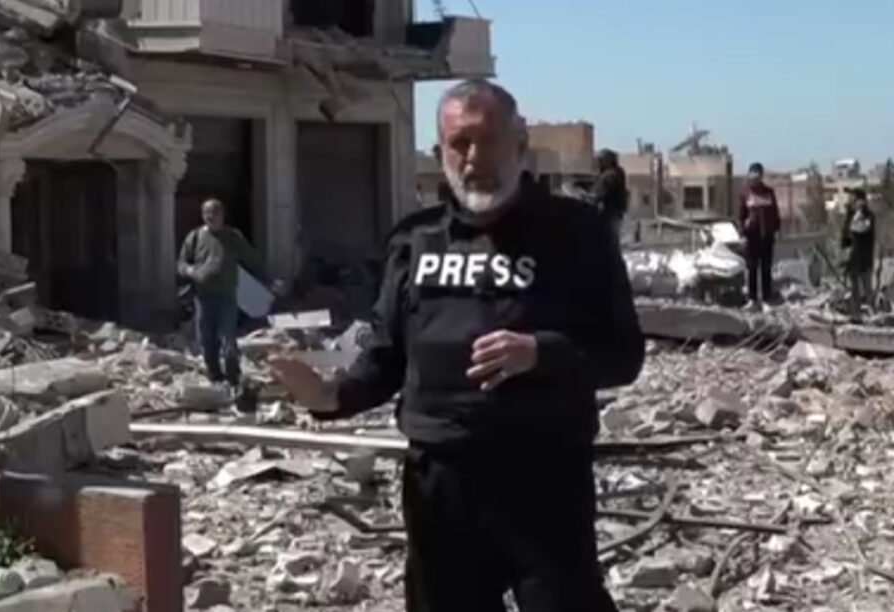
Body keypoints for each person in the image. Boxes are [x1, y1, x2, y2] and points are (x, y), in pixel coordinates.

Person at [268, 79, 644, 612]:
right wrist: (330, 396)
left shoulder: (576, 233)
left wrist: (540, 352)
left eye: (487, 141)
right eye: (459, 144)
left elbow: (623, 354)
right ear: (440, 151)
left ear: (519, 144)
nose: (473, 158)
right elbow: (386, 356)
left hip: (544, 478)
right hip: (440, 486)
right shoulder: (414, 240)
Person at [177, 198, 276, 388]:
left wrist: (269, 280)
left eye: (214, 212)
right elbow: (182, 263)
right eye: (206, 213)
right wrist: (190, 270)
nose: (210, 216)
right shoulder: (195, 237)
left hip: (226, 296)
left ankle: (233, 378)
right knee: (206, 339)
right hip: (203, 298)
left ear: (222, 214)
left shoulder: (232, 237)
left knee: (227, 339)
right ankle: (214, 377)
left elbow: (252, 260)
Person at [739, 162, 780, 309]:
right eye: (753, 173)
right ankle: (752, 299)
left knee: (766, 268)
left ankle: (767, 298)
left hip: (766, 236)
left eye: (758, 174)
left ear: (761, 175)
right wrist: (743, 234)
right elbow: (741, 216)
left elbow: (775, 213)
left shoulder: (768, 192)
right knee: (752, 268)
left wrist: (775, 230)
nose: (755, 177)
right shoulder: (745, 193)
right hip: (751, 237)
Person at [841, 188, 875, 319]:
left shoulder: (868, 216)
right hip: (853, 258)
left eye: (854, 199)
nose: (851, 201)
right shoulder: (850, 216)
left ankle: (871, 314)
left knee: (867, 287)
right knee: (854, 288)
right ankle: (856, 313)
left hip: (865, 258)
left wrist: (858, 213)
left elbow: (860, 228)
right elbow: (845, 238)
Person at [592, 148, 628, 238]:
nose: (598, 163)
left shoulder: (611, 174)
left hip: (610, 212)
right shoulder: (613, 173)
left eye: (601, 160)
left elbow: (600, 194)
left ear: (608, 161)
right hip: (612, 212)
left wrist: (589, 197)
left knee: (608, 238)